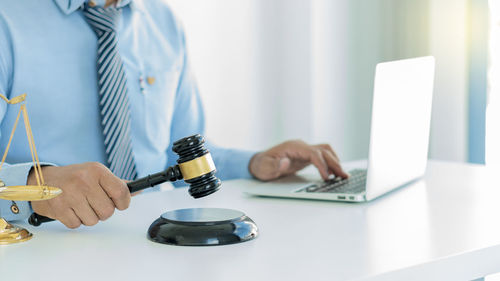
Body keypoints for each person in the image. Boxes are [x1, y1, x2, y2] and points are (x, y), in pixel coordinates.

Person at [0, 0, 347, 229]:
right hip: (41, 250)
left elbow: (177, 155)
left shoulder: (163, 22)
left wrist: (255, 163)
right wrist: (34, 186)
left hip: (154, 246)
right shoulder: (6, 20)